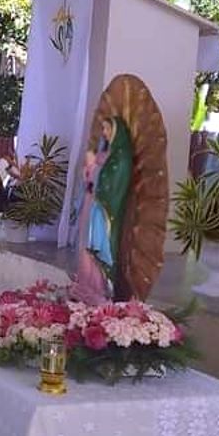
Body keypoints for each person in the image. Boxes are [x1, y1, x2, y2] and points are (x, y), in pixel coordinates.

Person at [72, 117, 133, 304]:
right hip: (91, 203)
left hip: (104, 208)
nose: (104, 133)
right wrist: (88, 170)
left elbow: (113, 182)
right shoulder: (104, 152)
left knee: (97, 244)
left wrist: (94, 167)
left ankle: (98, 288)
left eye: (107, 128)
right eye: (104, 128)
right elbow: (89, 180)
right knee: (85, 244)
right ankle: (85, 284)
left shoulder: (121, 156)